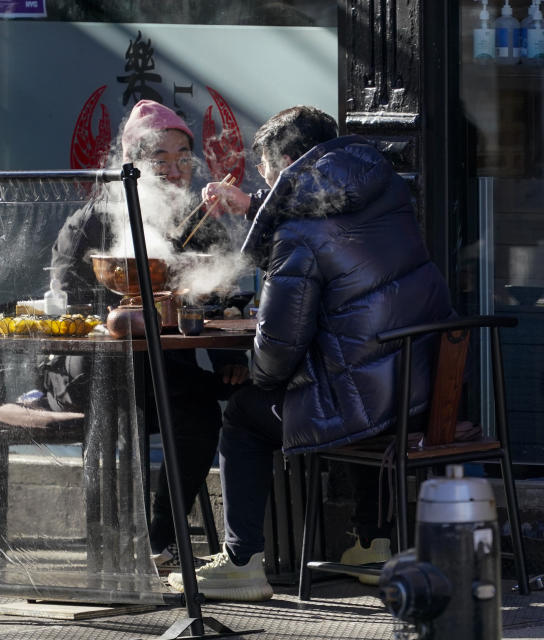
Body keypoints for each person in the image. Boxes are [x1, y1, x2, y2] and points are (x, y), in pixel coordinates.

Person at [166, 106, 453, 601]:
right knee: (344, 382)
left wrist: (257, 375)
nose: (266, 182)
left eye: (268, 172)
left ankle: (242, 561)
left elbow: (278, 347)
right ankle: (373, 543)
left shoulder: (298, 231)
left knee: (244, 413)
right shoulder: (383, 195)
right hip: (420, 389)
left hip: (371, 401)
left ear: (292, 162)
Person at [48, 99, 248, 574]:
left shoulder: (195, 224)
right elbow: (64, 303)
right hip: (93, 370)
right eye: (162, 159)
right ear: (133, 164)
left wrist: (229, 360)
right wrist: (119, 313)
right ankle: (114, 544)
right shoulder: (91, 223)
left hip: (164, 370)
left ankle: (161, 536)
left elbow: (220, 297)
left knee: (199, 414)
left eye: (184, 158)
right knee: (123, 416)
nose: (177, 170)